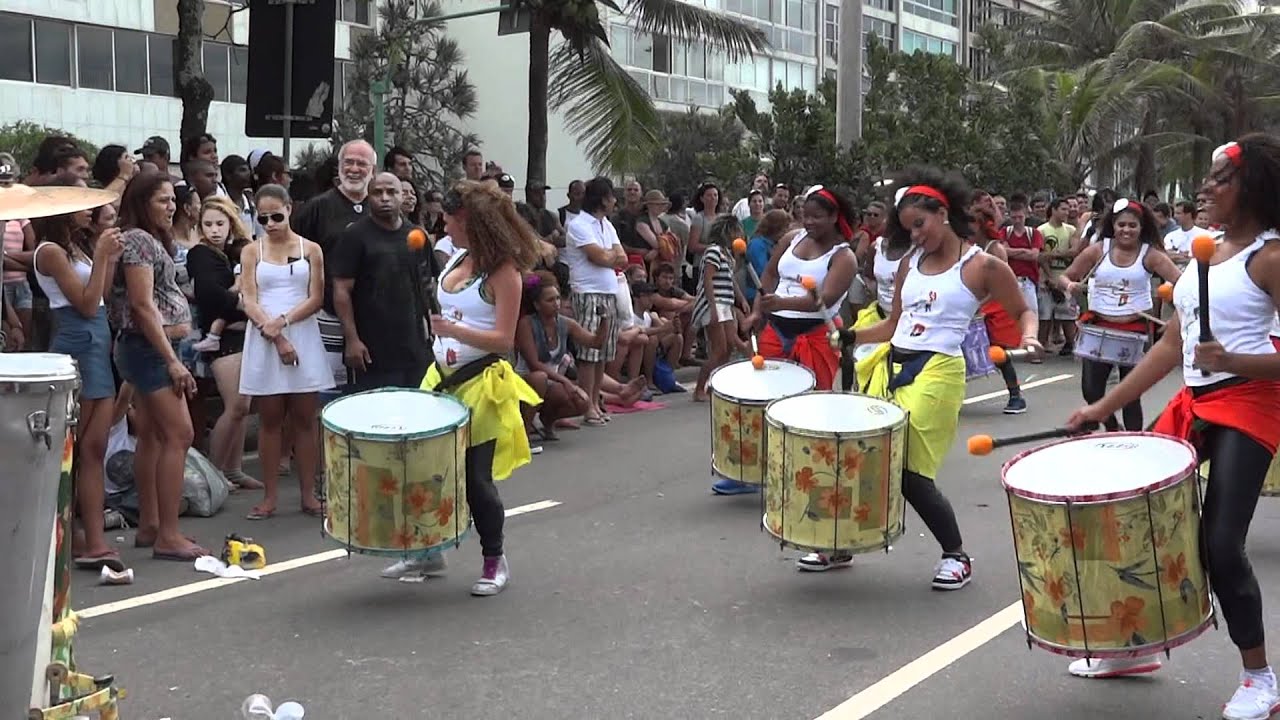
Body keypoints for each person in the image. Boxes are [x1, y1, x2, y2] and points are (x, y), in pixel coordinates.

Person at [1060, 135, 1280, 720]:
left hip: (1251, 403)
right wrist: (1104, 408)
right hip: (1197, 398)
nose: (1206, 188)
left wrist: (1231, 361)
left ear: (1253, 187)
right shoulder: (1205, 258)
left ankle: (1260, 677)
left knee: (1219, 543)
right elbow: (1171, 346)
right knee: (1131, 515)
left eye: (1220, 179)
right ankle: (1132, 648)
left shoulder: (1271, 258)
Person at [837, 168, 1043, 582]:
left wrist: (1031, 335)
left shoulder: (981, 265)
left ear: (943, 213)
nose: (914, 235)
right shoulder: (908, 265)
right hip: (891, 363)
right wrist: (851, 334)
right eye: (907, 228)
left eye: (920, 225)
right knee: (864, 455)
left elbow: (1023, 308)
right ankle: (838, 543)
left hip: (939, 370)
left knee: (909, 470)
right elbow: (893, 324)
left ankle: (956, 555)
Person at [379, 180, 542, 596]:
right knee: (420, 467)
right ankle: (428, 551)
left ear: (471, 222)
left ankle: (494, 559)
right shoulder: (455, 259)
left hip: (482, 384)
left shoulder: (505, 273)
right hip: (439, 378)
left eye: (450, 219)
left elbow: (504, 340)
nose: (444, 225)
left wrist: (453, 330)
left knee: (474, 479)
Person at [109, 171, 205, 560]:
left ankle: (150, 523)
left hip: (151, 346)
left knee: (149, 434)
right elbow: (142, 305)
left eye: (173, 200)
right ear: (142, 201)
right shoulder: (138, 240)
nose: (172, 207)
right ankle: (169, 533)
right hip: (151, 349)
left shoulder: (148, 240)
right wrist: (172, 361)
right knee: (180, 434)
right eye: (163, 200)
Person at [31, 181, 125, 570]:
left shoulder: (75, 246)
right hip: (79, 341)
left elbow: (99, 293)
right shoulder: (50, 251)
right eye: (81, 203)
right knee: (76, 450)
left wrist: (107, 255)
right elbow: (86, 305)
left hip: (96, 342)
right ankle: (76, 538)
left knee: (94, 448)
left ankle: (89, 538)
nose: (90, 209)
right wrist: (102, 253)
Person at [239, 185, 333, 519]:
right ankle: (270, 497)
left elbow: (316, 297)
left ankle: (309, 494)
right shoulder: (252, 251)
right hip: (265, 334)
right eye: (263, 218)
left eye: (277, 216)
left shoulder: (312, 250)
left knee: (305, 418)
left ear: (290, 209)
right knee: (270, 419)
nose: (271, 223)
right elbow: (248, 299)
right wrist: (273, 332)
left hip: (301, 330)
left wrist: (284, 321)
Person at [1053, 198, 1181, 431]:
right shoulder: (1098, 249)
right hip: (1098, 325)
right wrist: (1070, 286)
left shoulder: (1150, 254)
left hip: (1135, 329)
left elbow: (1184, 285)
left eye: (1132, 225)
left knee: (1131, 394)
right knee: (1091, 391)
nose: (1126, 230)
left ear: (1141, 228)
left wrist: (1175, 319)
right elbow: (1064, 276)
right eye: (1121, 224)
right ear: (1113, 225)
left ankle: (1133, 440)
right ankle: (1113, 427)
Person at [331, 172, 433, 391]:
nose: (385, 198)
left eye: (392, 192)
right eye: (378, 193)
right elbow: (341, 290)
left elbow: (427, 286)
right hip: (372, 348)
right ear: (368, 197)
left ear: (402, 196)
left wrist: (434, 329)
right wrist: (352, 339)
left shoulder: (416, 235)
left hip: (415, 346)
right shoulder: (355, 236)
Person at [184, 197, 260, 489]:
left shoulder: (225, 252)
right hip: (224, 337)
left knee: (243, 405)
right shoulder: (202, 254)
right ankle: (215, 472)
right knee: (236, 405)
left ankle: (233, 468)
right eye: (208, 224)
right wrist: (242, 305)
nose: (214, 229)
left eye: (220, 223)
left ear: (231, 224)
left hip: (237, 333)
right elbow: (209, 296)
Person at [752, 186, 858, 392]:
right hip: (775, 331)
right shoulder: (792, 238)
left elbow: (824, 299)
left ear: (834, 216)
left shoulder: (844, 257)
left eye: (816, 217)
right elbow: (771, 273)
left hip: (817, 334)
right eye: (805, 216)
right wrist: (757, 311)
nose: (808, 222)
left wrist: (781, 303)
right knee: (771, 396)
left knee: (813, 403)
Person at [562, 177, 627, 426]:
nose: (614, 202)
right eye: (611, 197)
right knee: (589, 352)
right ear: (602, 199)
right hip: (588, 292)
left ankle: (596, 400)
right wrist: (609, 256)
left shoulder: (606, 224)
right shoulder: (579, 224)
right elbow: (599, 257)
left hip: (608, 292)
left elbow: (620, 257)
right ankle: (587, 405)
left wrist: (609, 256)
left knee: (602, 352)